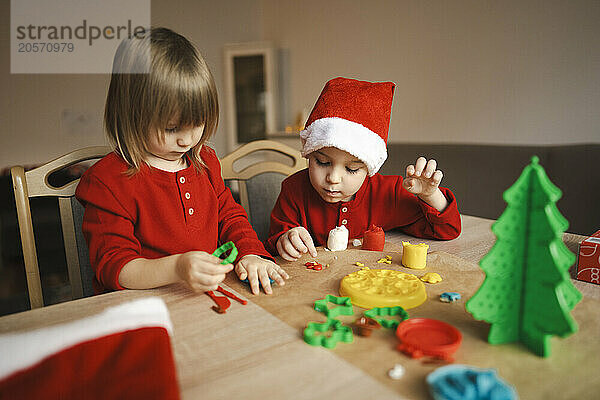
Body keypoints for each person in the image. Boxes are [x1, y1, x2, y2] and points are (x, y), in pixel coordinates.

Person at [76, 27, 288, 295]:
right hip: (144, 307)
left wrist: (251, 253)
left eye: (197, 123)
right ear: (132, 115)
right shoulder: (107, 181)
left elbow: (229, 216)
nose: (187, 141)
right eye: (173, 128)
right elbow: (115, 267)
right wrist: (177, 267)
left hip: (204, 298)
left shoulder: (205, 160)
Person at [266, 77, 461, 260]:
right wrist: (285, 240)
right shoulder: (293, 190)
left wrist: (429, 195)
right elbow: (273, 242)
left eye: (351, 169)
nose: (333, 178)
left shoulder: (387, 193)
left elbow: (448, 230)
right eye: (322, 162)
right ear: (309, 154)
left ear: (369, 168)